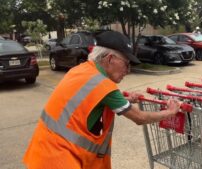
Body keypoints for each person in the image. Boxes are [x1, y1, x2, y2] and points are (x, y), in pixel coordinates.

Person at [23, 31, 181, 169]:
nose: (128, 70)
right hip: (61, 159)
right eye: (126, 64)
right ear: (110, 59)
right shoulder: (105, 86)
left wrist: (124, 98)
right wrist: (170, 112)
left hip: (43, 150)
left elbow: (89, 99)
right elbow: (139, 117)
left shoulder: (81, 70)